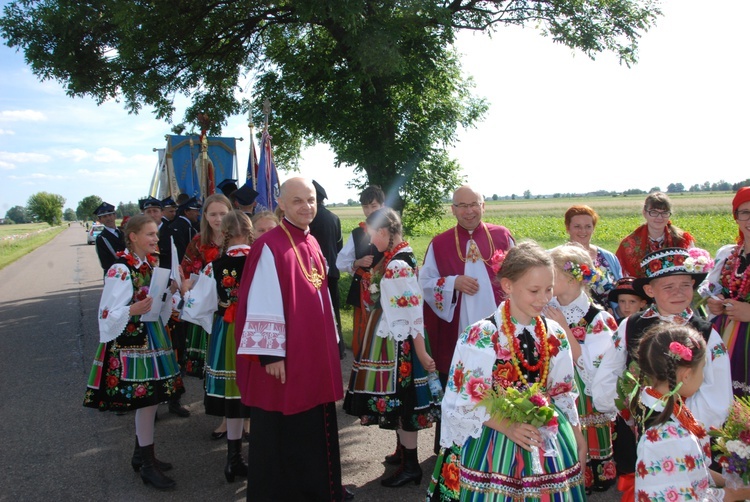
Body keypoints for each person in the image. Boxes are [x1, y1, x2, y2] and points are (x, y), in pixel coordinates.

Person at [430, 241, 586, 501]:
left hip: (548, 438)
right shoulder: (482, 335)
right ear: (507, 286)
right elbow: (464, 398)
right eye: (534, 290)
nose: (544, 299)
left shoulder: (554, 333)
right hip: (493, 437)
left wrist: (578, 437)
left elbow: (563, 390)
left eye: (549, 289)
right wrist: (508, 426)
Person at [234, 177, 349, 501]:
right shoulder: (269, 244)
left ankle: (322, 489)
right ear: (281, 203)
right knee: (284, 434)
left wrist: (333, 338)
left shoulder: (310, 240)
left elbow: (322, 296)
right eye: (297, 201)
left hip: (312, 353)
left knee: (315, 426)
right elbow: (262, 298)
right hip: (286, 359)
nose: (306, 207)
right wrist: (271, 356)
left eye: (311, 200)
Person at [592, 247, 732, 501]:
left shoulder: (705, 332)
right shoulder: (631, 325)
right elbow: (610, 371)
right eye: (668, 286)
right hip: (644, 424)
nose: (678, 293)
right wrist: (629, 410)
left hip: (690, 429)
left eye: (685, 285)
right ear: (649, 291)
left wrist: (683, 422)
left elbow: (718, 391)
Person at [83, 215, 182, 490]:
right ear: (133, 237)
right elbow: (106, 313)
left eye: (156, 235)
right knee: (146, 401)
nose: (155, 239)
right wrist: (130, 310)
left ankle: (142, 455)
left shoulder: (149, 265)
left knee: (151, 400)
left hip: (149, 336)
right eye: (150, 234)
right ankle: (147, 464)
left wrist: (167, 300)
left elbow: (152, 299)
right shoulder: (121, 269)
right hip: (131, 343)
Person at [343, 207, 439, 488]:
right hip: (396, 335)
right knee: (400, 399)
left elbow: (411, 313)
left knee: (403, 399)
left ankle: (411, 465)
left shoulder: (397, 265)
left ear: (384, 232)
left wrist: (420, 351)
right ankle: (403, 453)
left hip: (399, 343)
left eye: (374, 235)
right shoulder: (401, 256)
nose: (372, 240)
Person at [631, 324, 750, 501]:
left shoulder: (653, 401)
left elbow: (684, 469)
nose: (703, 376)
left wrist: (726, 481)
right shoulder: (667, 434)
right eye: (702, 369)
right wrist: (733, 494)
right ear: (686, 375)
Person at [180, 210, 253, 483]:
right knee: (258, 390)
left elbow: (200, 307)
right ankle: (265, 457)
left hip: (227, 331)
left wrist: (187, 295)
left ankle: (233, 459)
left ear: (224, 234)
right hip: (255, 329)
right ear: (249, 230)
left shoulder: (214, 266)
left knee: (233, 397)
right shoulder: (261, 262)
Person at [544, 244, 619, 493]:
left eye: (551, 274)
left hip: (582, 390)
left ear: (571, 278)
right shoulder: (546, 308)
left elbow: (593, 366)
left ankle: (589, 474)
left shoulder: (597, 318)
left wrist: (564, 328)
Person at [700, 186, 750, 398]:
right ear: (736, 217)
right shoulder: (727, 254)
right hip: (723, 336)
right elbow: (706, 288)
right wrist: (712, 301)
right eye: (745, 212)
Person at [180, 193, 232, 380]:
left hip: (231, 307)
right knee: (210, 356)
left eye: (223, 214)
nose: (218, 219)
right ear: (205, 216)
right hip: (206, 307)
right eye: (213, 214)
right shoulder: (198, 242)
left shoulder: (238, 239)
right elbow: (186, 272)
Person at [336, 185, 386, 359]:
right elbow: (340, 262)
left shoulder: (391, 230)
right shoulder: (357, 233)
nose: (369, 210)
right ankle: (361, 365)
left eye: (373, 206)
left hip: (386, 290)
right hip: (361, 290)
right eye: (366, 206)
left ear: (382, 206)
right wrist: (357, 262)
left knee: (382, 328)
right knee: (361, 328)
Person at [616, 192, 696, 277]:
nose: (659, 217)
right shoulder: (628, 244)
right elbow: (621, 276)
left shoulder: (682, 240)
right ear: (644, 212)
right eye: (654, 212)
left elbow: (693, 269)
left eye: (664, 212)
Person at [309, 180, 345, 357]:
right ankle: (339, 349)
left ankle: (322, 349)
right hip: (333, 271)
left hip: (314, 272)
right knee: (334, 311)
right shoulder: (334, 218)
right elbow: (339, 247)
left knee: (317, 312)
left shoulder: (309, 219)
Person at [562, 205, 622, 306]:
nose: (583, 231)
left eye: (588, 226)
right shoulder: (555, 257)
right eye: (577, 226)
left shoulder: (609, 258)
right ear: (568, 228)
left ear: (593, 228)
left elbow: (622, 290)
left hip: (607, 318)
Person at [94, 202, 126, 273]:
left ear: (115, 216)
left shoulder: (123, 233)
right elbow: (105, 263)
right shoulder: (101, 238)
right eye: (104, 216)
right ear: (100, 220)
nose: (108, 218)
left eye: (110, 215)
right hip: (113, 274)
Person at [169, 196, 202, 265]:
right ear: (186, 212)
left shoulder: (174, 225)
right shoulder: (188, 229)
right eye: (196, 211)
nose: (199, 214)